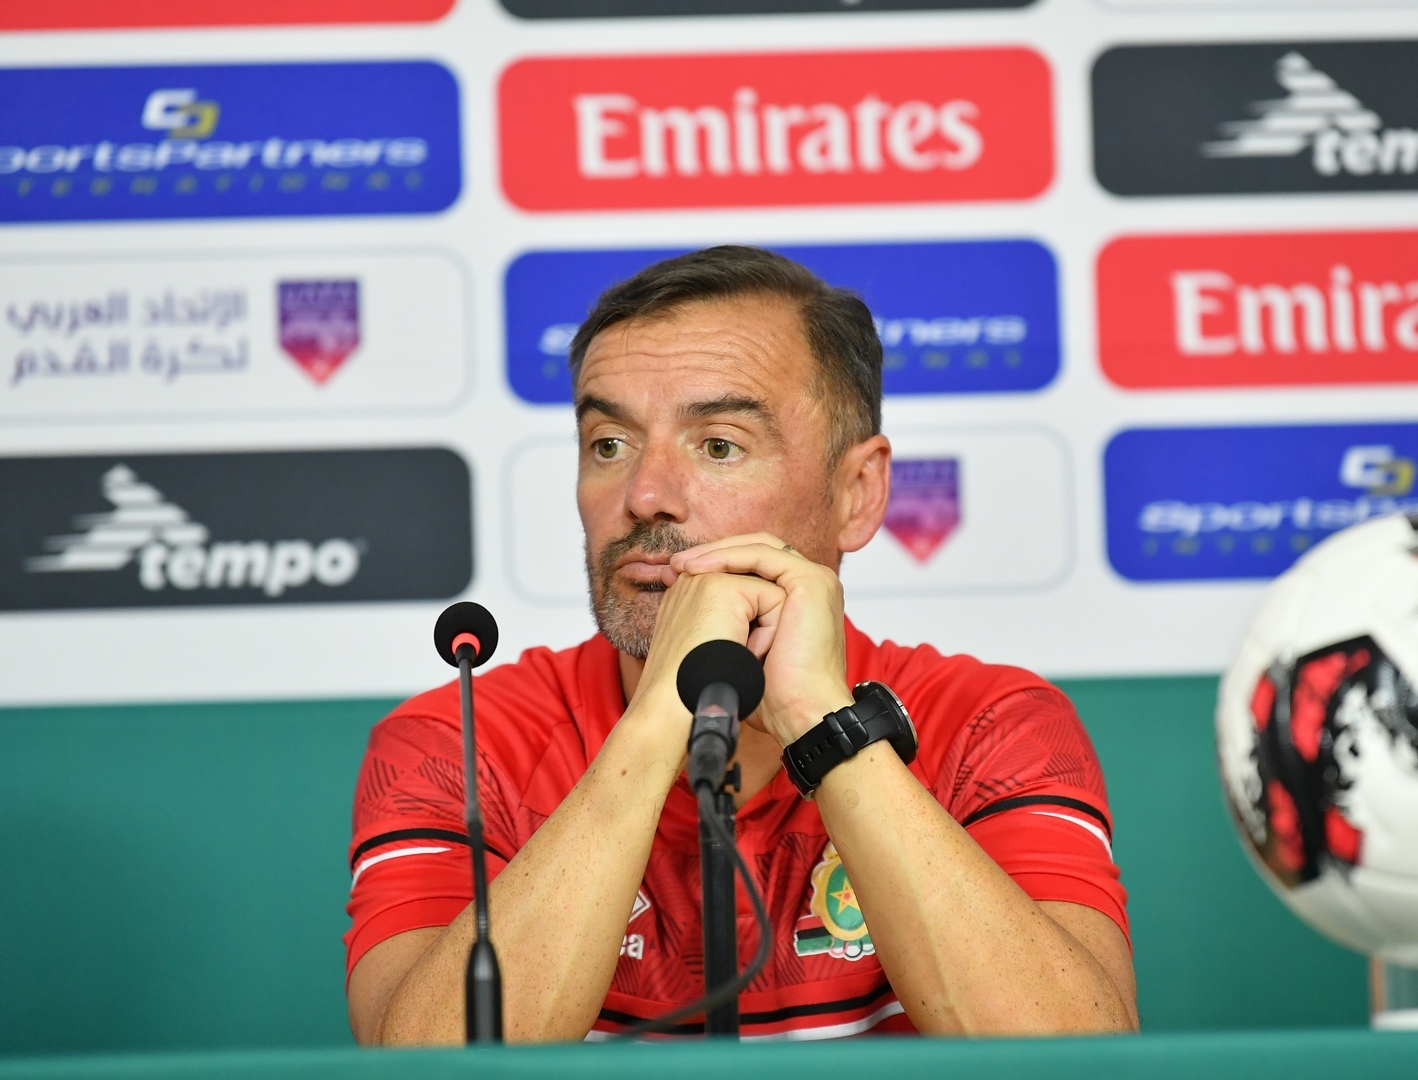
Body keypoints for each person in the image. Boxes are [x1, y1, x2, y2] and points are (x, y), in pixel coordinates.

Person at [344, 247, 1137, 1043]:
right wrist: (659, 717)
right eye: (609, 443)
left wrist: (824, 725)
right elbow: (427, 1065)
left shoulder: (989, 726)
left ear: (856, 494)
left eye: (718, 445)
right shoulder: (459, 741)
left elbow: (1078, 1060)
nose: (644, 496)